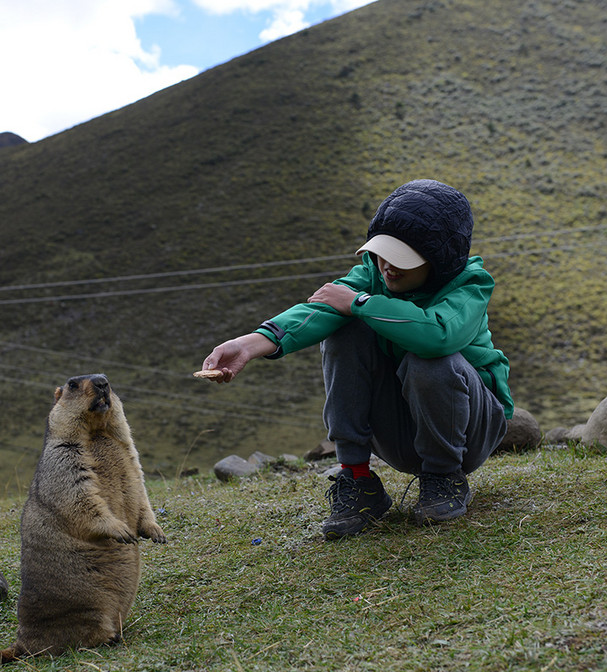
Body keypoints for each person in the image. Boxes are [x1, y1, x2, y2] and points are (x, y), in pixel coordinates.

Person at [201, 179, 513, 539]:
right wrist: (254, 343)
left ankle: (444, 478)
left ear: (440, 260)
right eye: (381, 253)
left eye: (402, 259)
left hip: (469, 431)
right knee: (344, 329)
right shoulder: (371, 274)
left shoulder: (470, 285)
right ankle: (358, 479)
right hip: (403, 430)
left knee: (429, 359)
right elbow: (318, 310)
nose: (387, 267)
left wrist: (360, 303)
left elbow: (438, 335)